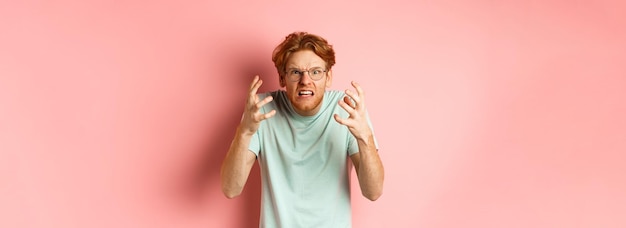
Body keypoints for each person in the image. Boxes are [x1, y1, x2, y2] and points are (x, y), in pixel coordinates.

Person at [220, 31, 384, 228]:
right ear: (282, 78)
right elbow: (231, 189)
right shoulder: (261, 111)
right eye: (296, 72)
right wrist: (244, 133)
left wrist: (365, 137)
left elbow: (373, 192)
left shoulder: (347, 109)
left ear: (328, 77)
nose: (305, 81)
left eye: (315, 72)